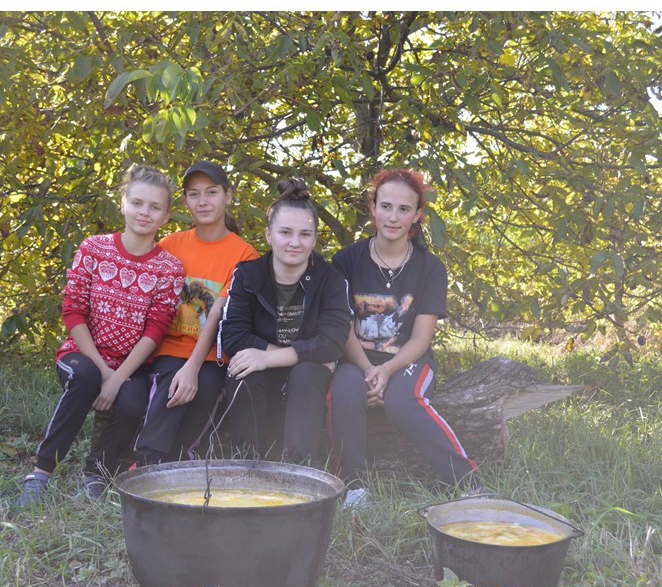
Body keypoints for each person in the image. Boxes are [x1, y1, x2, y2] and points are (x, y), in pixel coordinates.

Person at [15, 164, 185, 507]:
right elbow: (73, 310)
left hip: (132, 365)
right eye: (137, 203)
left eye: (155, 207)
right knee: (85, 378)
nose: (144, 212)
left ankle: (96, 473)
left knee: (134, 401)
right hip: (81, 354)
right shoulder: (94, 248)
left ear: (166, 216)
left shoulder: (169, 268)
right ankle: (41, 472)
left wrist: (118, 378)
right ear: (123, 204)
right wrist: (105, 373)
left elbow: (156, 329)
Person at [327, 169, 479, 508]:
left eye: (404, 209)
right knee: (344, 393)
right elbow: (343, 328)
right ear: (373, 208)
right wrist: (369, 370)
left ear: (417, 215)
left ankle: (468, 483)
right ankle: (355, 488)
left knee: (402, 402)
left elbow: (421, 338)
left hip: (409, 360)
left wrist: (387, 370)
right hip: (357, 358)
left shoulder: (430, 268)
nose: (393, 217)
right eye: (386, 206)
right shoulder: (346, 261)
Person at [132, 160, 258, 465]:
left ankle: (180, 461)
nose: (203, 201)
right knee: (170, 383)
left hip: (213, 356)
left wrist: (192, 367)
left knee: (207, 385)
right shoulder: (171, 244)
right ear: (185, 201)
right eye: (194, 194)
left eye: (211, 192)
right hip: (168, 349)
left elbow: (218, 314)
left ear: (228, 196)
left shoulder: (245, 254)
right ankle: (146, 462)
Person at [219, 178, 352, 464]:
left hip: (307, 377)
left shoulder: (330, 280)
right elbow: (233, 337)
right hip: (266, 373)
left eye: (305, 234)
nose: (295, 242)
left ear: (314, 239)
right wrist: (289, 356)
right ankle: (247, 464)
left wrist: (268, 357)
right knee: (243, 370)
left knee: (307, 372)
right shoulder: (247, 275)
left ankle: (296, 467)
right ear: (268, 235)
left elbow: (331, 343)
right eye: (285, 232)